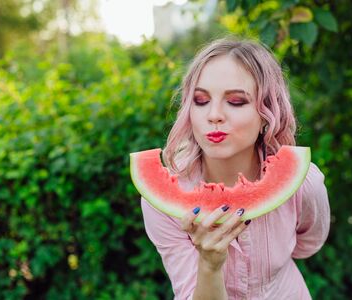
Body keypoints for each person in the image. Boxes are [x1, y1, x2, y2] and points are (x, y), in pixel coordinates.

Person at [141, 37, 330, 300]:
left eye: (236, 101)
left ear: (267, 114)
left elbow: (307, 243)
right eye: (201, 100)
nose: (214, 115)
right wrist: (209, 265)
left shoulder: (304, 184)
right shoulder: (159, 203)